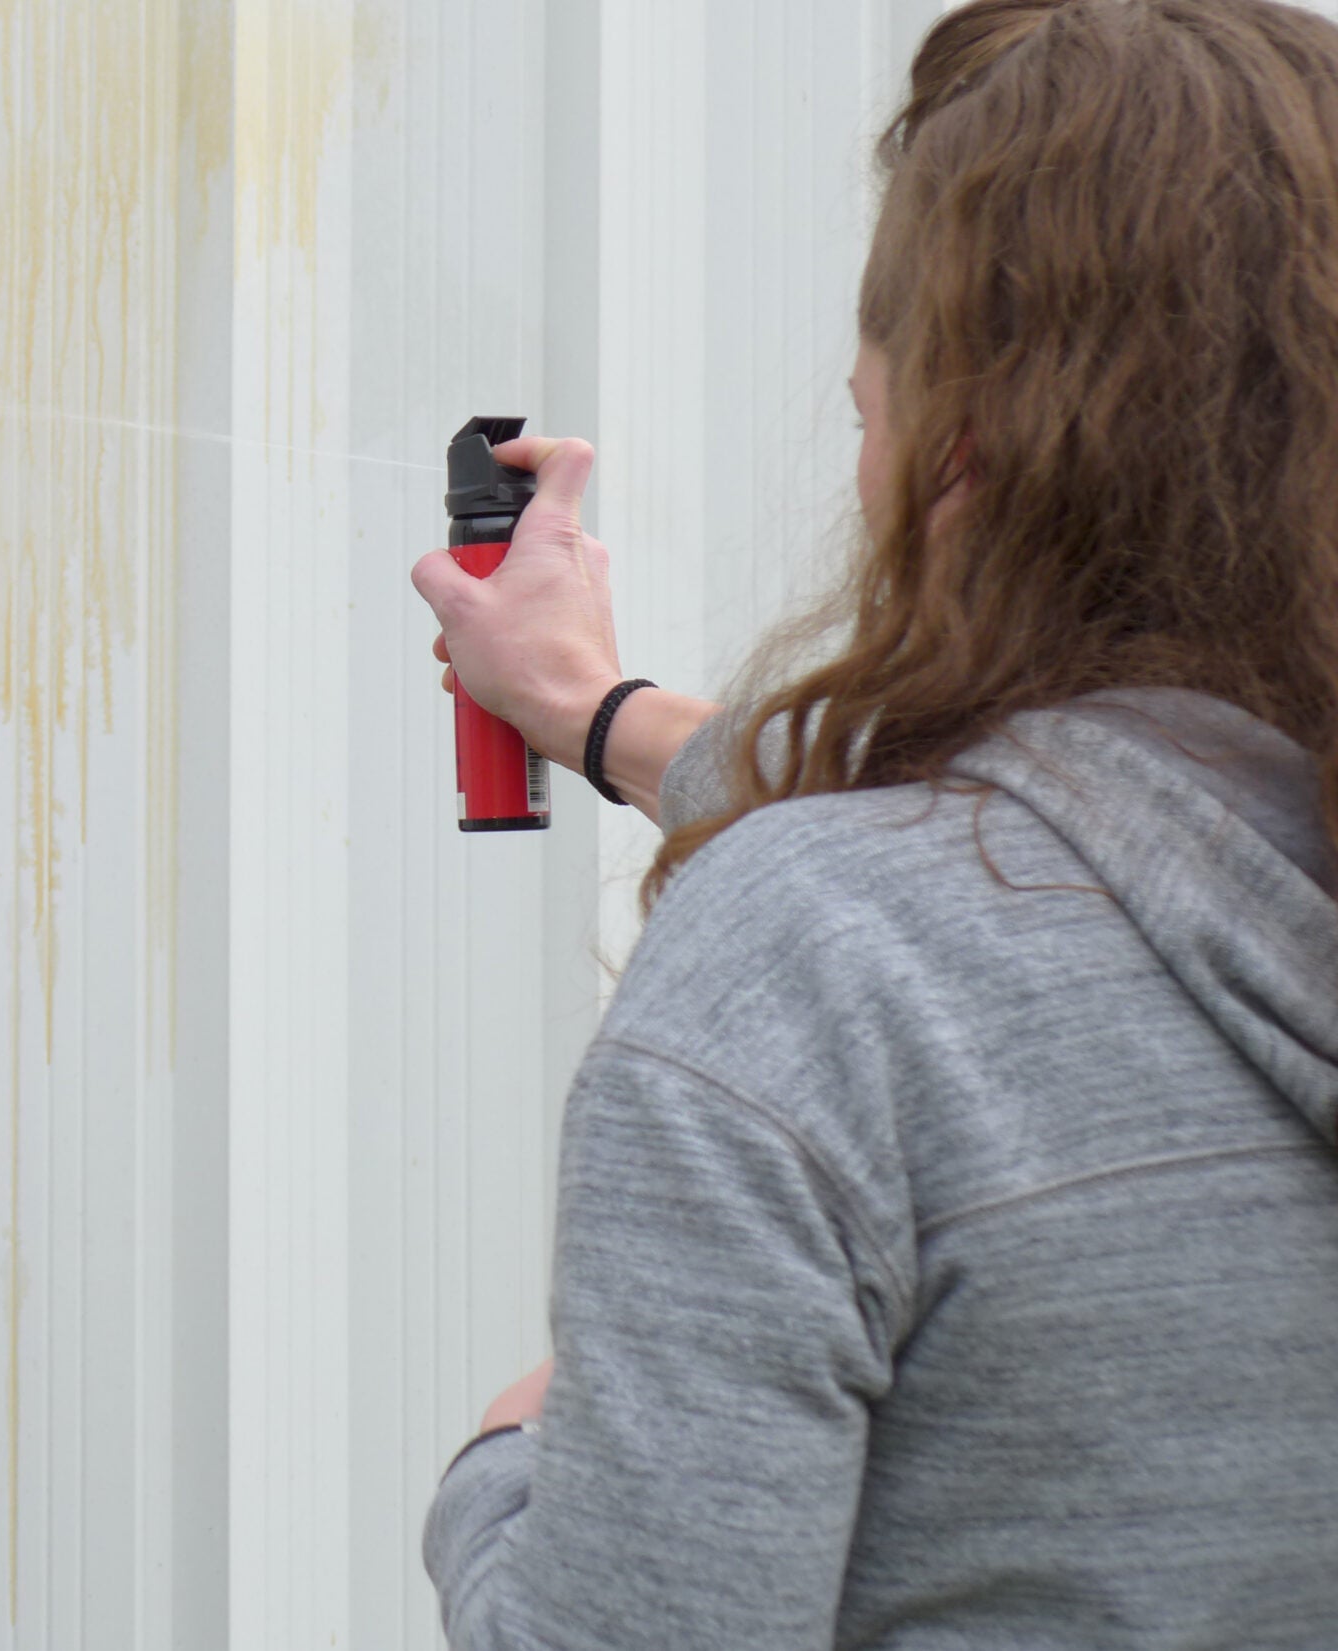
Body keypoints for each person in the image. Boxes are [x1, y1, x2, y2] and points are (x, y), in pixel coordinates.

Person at [409, 1, 1338, 1644]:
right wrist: (601, 711)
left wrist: (504, 1469)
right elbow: (1115, 833)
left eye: (868, 413)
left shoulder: (813, 972)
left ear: (966, 451)